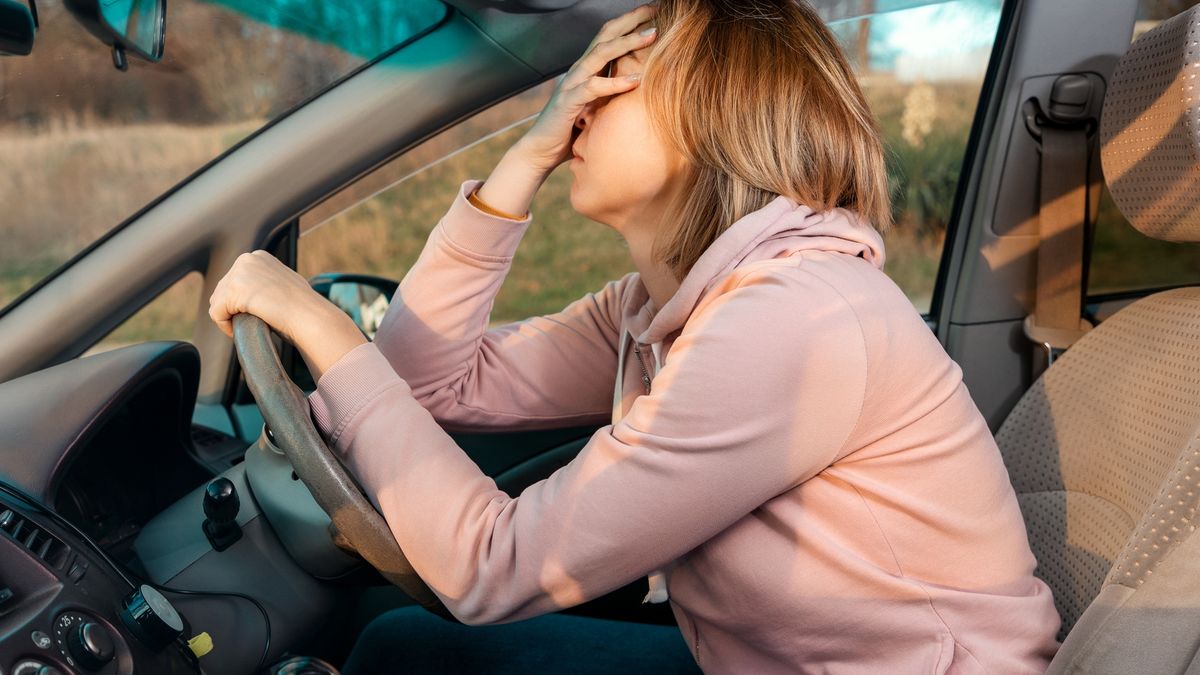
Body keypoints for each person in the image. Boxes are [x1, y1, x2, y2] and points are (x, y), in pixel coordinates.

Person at [208, 0, 1063, 671]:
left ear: (711, 115)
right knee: (404, 647)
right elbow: (427, 385)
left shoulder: (796, 318)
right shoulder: (666, 309)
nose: (575, 102)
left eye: (615, 76)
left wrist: (321, 325)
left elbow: (493, 568)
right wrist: (519, 167)